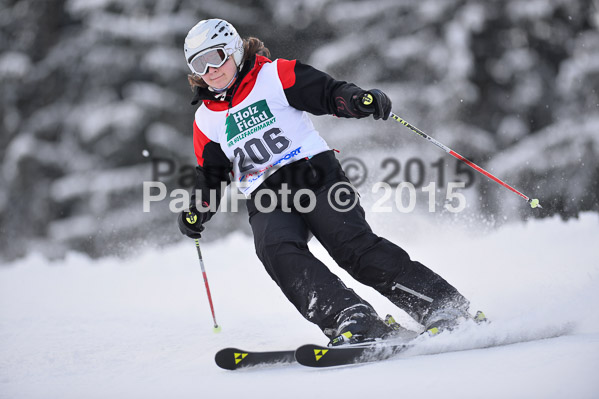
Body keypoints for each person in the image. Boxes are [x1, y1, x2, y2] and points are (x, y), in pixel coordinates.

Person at [178, 18, 474, 346]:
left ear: (233, 50)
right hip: (265, 197)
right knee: (276, 253)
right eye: (199, 64)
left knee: (353, 249)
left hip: (315, 177)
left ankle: (443, 307)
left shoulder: (274, 75)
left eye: (216, 57)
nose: (211, 69)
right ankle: (353, 318)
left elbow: (327, 93)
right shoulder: (206, 119)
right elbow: (212, 175)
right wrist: (198, 208)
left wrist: (357, 100)